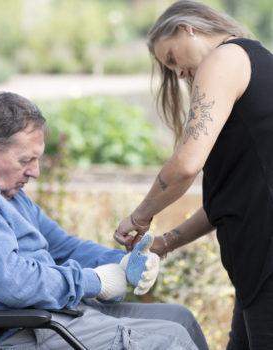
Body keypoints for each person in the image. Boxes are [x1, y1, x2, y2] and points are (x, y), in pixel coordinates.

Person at [0, 92, 208, 350]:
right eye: (25, 160)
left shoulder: (4, 192)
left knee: (181, 319)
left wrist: (123, 262)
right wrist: (95, 281)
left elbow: (64, 247)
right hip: (6, 334)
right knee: (170, 341)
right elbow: (13, 282)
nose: (34, 172)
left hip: (43, 318)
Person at [113, 0, 273, 349]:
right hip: (255, 273)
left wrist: (140, 216)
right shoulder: (254, 63)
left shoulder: (225, 58)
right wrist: (163, 243)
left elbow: (187, 163)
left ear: (189, 29)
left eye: (171, 58)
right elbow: (229, 200)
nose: (178, 73)